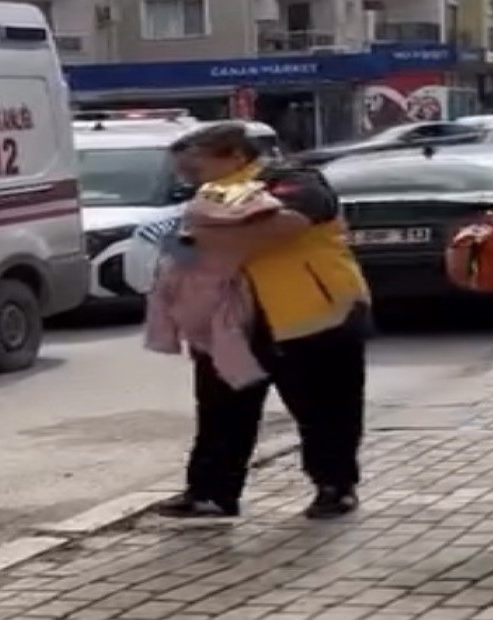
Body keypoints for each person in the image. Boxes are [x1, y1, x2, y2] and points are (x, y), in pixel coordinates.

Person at [147, 122, 371, 521]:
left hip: (314, 313)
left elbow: (288, 225)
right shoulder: (207, 198)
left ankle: (335, 488)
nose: (186, 178)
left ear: (234, 155)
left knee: (325, 408)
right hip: (232, 322)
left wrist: (214, 240)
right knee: (220, 409)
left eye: (193, 168)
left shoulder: (291, 182)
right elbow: (184, 253)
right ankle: (210, 493)